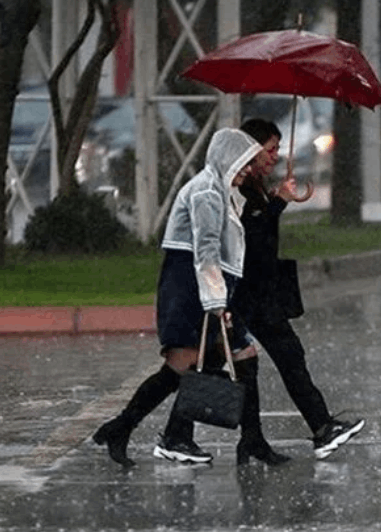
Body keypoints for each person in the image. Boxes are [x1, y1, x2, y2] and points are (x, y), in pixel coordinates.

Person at [92, 127, 265, 468]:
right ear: (227, 159)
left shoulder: (222, 191)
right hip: (191, 286)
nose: (248, 169)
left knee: (226, 358)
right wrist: (217, 303)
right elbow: (205, 251)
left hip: (204, 286)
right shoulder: (207, 193)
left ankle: (183, 436)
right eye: (244, 162)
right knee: (183, 364)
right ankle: (132, 429)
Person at [234, 116, 364, 459]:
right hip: (248, 293)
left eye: (278, 149)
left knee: (268, 362)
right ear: (250, 150)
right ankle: (318, 427)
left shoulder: (254, 186)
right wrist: (277, 204)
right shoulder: (240, 188)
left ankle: (261, 438)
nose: (275, 156)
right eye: (271, 149)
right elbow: (251, 240)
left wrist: (276, 199)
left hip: (259, 292)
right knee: (207, 366)